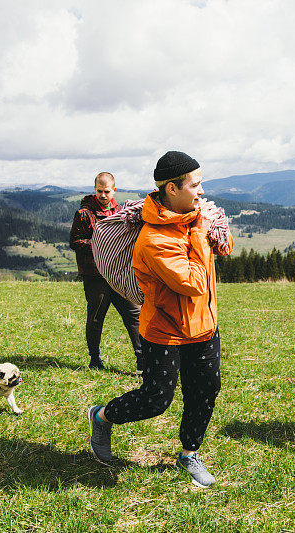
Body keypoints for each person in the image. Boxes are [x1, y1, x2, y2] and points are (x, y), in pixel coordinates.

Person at [88, 151, 233, 488]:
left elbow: (222, 249)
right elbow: (193, 283)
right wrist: (201, 230)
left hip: (204, 328)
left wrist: (211, 229)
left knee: (205, 391)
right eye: (195, 185)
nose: (201, 191)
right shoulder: (154, 240)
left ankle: (189, 454)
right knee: (156, 400)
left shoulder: (197, 218)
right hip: (164, 332)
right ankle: (102, 415)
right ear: (171, 188)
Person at [69, 172, 143, 372]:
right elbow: (74, 242)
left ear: (114, 190)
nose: (103, 195)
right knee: (95, 318)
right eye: (99, 191)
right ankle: (95, 360)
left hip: (119, 275)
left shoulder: (121, 211)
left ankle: (142, 361)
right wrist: (100, 245)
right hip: (95, 276)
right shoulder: (84, 214)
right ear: (94, 189)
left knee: (134, 315)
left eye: (107, 191)